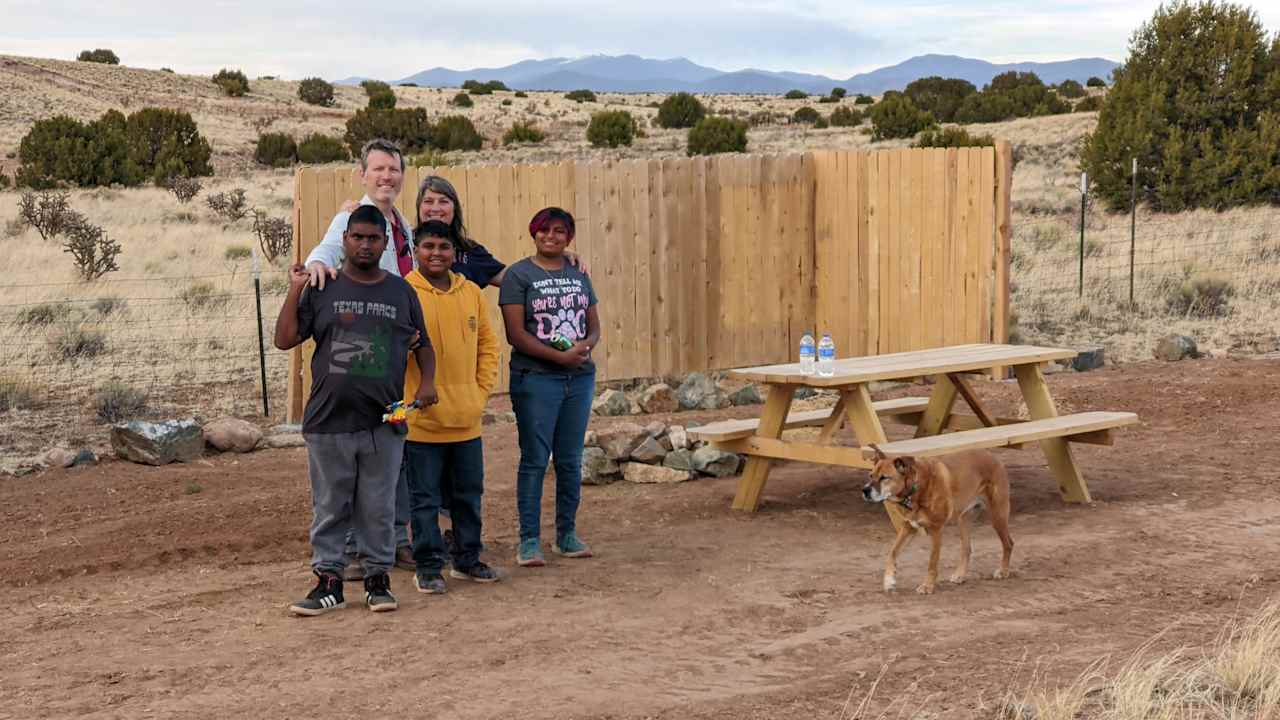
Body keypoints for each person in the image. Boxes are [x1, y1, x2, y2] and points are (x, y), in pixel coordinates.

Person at [276, 204, 439, 616]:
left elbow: (422, 345)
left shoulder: (401, 292)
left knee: (379, 505)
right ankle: (328, 582)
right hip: (329, 420)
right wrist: (295, 288)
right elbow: (284, 340)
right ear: (344, 240)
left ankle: (377, 580)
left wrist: (428, 382)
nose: (365, 244)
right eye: (357, 237)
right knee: (331, 505)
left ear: (385, 244)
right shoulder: (324, 286)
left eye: (374, 238)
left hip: (383, 422)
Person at [303, 138, 420, 578]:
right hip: (361, 356)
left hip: (392, 356)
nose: (387, 176)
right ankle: (353, 550)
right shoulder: (353, 219)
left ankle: (391, 541)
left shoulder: (401, 224)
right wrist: (315, 265)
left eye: (394, 169)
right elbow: (328, 250)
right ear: (363, 174)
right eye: (379, 169)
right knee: (360, 448)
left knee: (390, 447)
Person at [402, 220, 501, 594]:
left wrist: (478, 394)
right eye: (429, 246)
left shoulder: (472, 292)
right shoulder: (404, 292)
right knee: (424, 499)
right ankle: (428, 566)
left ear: (455, 253)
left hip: (466, 419)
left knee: (468, 494)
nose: (436, 254)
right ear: (416, 250)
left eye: (444, 247)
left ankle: (467, 558)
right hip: (422, 423)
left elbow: (489, 348)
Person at [498, 207, 601, 567]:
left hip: (580, 377)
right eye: (544, 230)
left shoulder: (578, 273)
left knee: (571, 460)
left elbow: (594, 326)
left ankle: (566, 535)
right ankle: (529, 540)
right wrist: (560, 357)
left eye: (559, 231)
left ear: (568, 237)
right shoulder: (519, 275)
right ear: (534, 233)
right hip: (536, 379)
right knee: (535, 460)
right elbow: (516, 334)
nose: (551, 236)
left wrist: (584, 348)